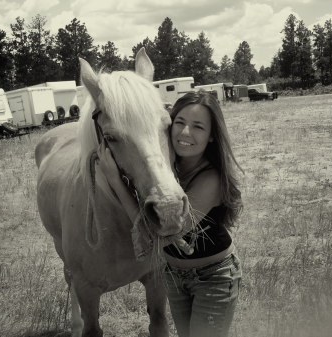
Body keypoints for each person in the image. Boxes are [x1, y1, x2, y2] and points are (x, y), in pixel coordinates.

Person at [97, 90, 243, 337]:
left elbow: (162, 232)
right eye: (180, 123)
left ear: (211, 137)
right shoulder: (166, 171)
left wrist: (114, 179)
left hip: (213, 277)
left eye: (198, 127)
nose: (185, 133)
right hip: (174, 274)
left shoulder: (212, 179)